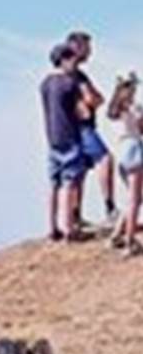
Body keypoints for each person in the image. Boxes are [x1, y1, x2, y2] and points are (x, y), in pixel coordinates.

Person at [68, 31, 117, 224]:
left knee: (79, 171)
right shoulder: (76, 75)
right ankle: (110, 208)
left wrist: (92, 100)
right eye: (88, 48)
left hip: (73, 128)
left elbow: (98, 99)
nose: (90, 52)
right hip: (82, 127)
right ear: (77, 47)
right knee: (104, 159)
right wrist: (89, 101)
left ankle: (75, 215)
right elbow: (93, 99)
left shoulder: (76, 74)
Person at [41, 42, 88, 242]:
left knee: (54, 183)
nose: (75, 64)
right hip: (70, 136)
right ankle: (69, 229)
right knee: (69, 183)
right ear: (64, 60)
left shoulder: (45, 83)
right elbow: (83, 112)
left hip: (52, 138)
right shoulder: (70, 83)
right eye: (72, 59)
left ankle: (52, 228)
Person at [108, 72, 143, 255]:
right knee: (134, 200)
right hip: (133, 149)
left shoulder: (113, 110)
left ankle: (116, 235)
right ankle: (130, 242)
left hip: (121, 151)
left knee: (132, 197)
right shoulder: (132, 108)